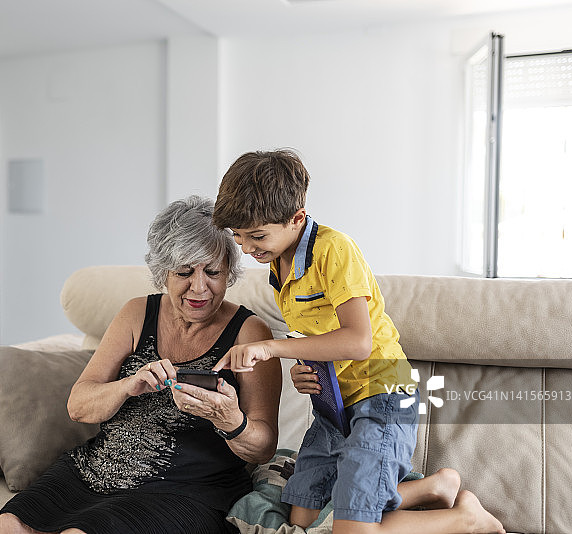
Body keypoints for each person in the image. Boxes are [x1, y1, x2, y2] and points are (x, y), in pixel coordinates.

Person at [211, 150, 505, 534]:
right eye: (238, 237)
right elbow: (320, 337)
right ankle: (434, 487)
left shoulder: (334, 250)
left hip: (381, 396)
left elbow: (358, 341)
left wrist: (274, 348)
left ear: (296, 218)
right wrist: (306, 371)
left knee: (349, 530)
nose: (247, 248)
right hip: (335, 405)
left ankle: (466, 518)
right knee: (304, 519)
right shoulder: (278, 263)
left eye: (257, 236)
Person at [0, 195, 282, 534]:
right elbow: (79, 406)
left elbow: (264, 447)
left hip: (184, 490)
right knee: (9, 526)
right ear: (162, 273)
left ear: (229, 272)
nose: (200, 287)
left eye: (213, 272)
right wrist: (128, 386)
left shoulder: (249, 331)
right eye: (184, 272)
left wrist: (229, 418)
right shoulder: (136, 313)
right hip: (93, 469)